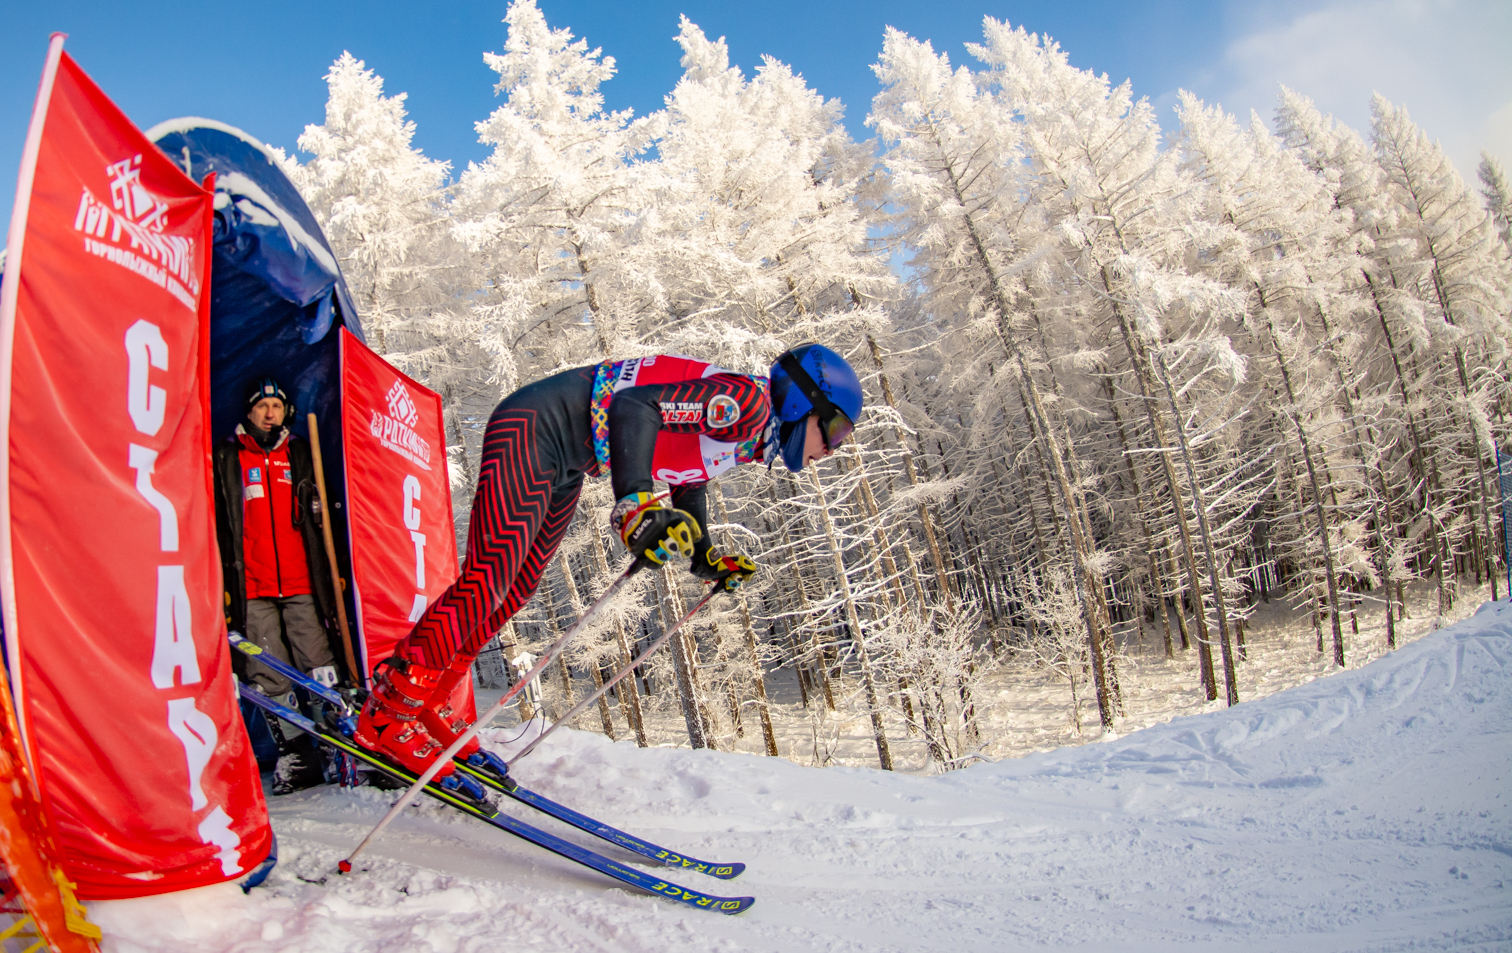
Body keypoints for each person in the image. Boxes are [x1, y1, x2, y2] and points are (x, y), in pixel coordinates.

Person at [354, 344, 864, 775]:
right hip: (535, 428)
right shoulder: (745, 405)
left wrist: (704, 555)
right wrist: (636, 501)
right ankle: (388, 711)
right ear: (804, 402)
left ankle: (430, 704)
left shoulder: (751, 429)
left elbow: (690, 471)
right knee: (490, 580)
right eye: (835, 430)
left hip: (566, 454)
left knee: (515, 589)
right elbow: (634, 409)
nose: (832, 449)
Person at [213, 377, 342, 793]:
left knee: (318, 665)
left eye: (277, 406)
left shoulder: (301, 452)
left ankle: (336, 745)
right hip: (251, 588)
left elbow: (323, 516)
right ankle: (296, 754)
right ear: (249, 412)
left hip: (302, 582)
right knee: (268, 673)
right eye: (262, 406)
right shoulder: (228, 456)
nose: (270, 414)